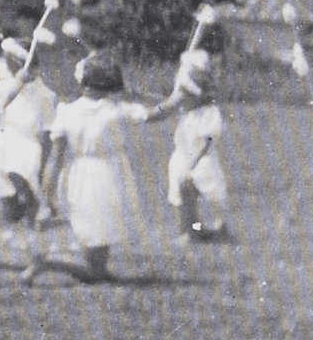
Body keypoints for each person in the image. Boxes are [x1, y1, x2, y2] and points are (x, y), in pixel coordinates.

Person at [23, 53, 183, 286]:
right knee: (98, 241)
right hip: (108, 177)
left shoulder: (66, 111)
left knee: (96, 238)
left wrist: (47, 194)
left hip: (77, 177)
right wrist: (178, 97)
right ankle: (46, 263)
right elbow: (155, 113)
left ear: (82, 82)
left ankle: (96, 268)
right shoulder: (116, 111)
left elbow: (55, 160)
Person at [0, 37, 57, 227]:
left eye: (7, 58)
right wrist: (17, 85)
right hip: (4, 145)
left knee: (19, 172)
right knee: (9, 214)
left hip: (29, 148)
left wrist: (43, 167)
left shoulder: (45, 94)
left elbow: (47, 134)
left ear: (17, 61)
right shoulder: (5, 88)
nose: (4, 62)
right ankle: (23, 201)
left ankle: (37, 200)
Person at [167, 49, 229, 244]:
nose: (183, 98)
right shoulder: (189, 114)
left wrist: (192, 163)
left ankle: (217, 230)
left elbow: (208, 141)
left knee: (211, 196)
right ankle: (193, 230)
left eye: (186, 94)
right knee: (185, 198)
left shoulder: (208, 112)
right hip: (184, 158)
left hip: (201, 161)